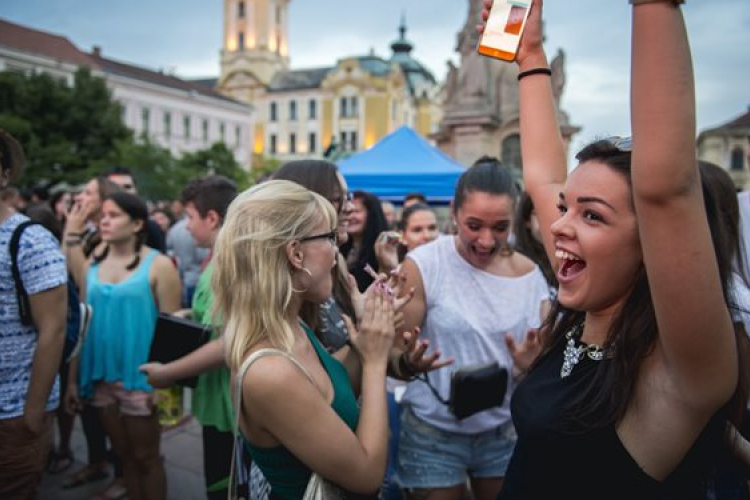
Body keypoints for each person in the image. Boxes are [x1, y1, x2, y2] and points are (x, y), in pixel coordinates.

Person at [479, 0, 744, 498]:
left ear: (652, 247)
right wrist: (530, 54)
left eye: (592, 215)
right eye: (564, 207)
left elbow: (666, 188)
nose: (558, 226)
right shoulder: (590, 293)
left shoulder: (679, 368)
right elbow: (540, 174)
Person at [215, 180, 397, 498]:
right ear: (296, 254)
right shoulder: (270, 372)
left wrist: (368, 331)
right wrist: (376, 361)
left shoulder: (289, 324)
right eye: (329, 236)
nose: (338, 244)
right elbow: (367, 475)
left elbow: (329, 394)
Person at [396, 157, 550, 500]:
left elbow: (546, 359)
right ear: (453, 212)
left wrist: (532, 367)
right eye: (474, 225)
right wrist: (408, 363)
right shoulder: (424, 265)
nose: (485, 240)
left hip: (503, 429)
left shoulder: (530, 275)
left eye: (500, 227)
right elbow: (392, 356)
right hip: (433, 431)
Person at [66, 192, 181, 500]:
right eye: (102, 214)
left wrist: (165, 387)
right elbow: (83, 322)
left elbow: (173, 331)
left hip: (142, 378)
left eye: (113, 215)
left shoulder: (159, 265)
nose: (104, 220)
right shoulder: (93, 260)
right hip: (102, 375)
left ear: (137, 223)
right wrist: (74, 379)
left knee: (147, 458)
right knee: (123, 455)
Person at [144, 175, 238, 500]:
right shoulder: (220, 256)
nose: (185, 226)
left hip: (229, 406)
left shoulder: (226, 263)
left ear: (212, 218)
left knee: (223, 487)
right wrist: (190, 317)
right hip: (220, 399)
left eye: (189, 217)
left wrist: (168, 373)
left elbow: (228, 343)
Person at [0, 128, 68, 498]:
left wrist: (32, 413)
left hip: (11, 411)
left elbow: (53, 329)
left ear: (6, 174)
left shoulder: (28, 239)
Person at [104, 166, 166, 253]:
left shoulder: (150, 229)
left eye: (127, 187)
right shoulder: (93, 227)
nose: (122, 191)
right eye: (116, 187)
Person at [340, 191, 389, 292]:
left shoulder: (382, 249)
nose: (350, 217)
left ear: (372, 215)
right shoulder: (341, 249)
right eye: (348, 212)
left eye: (357, 211)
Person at [512, 192, 557, 292]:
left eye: (561, 213)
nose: (554, 224)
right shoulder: (515, 266)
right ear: (527, 220)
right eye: (543, 215)